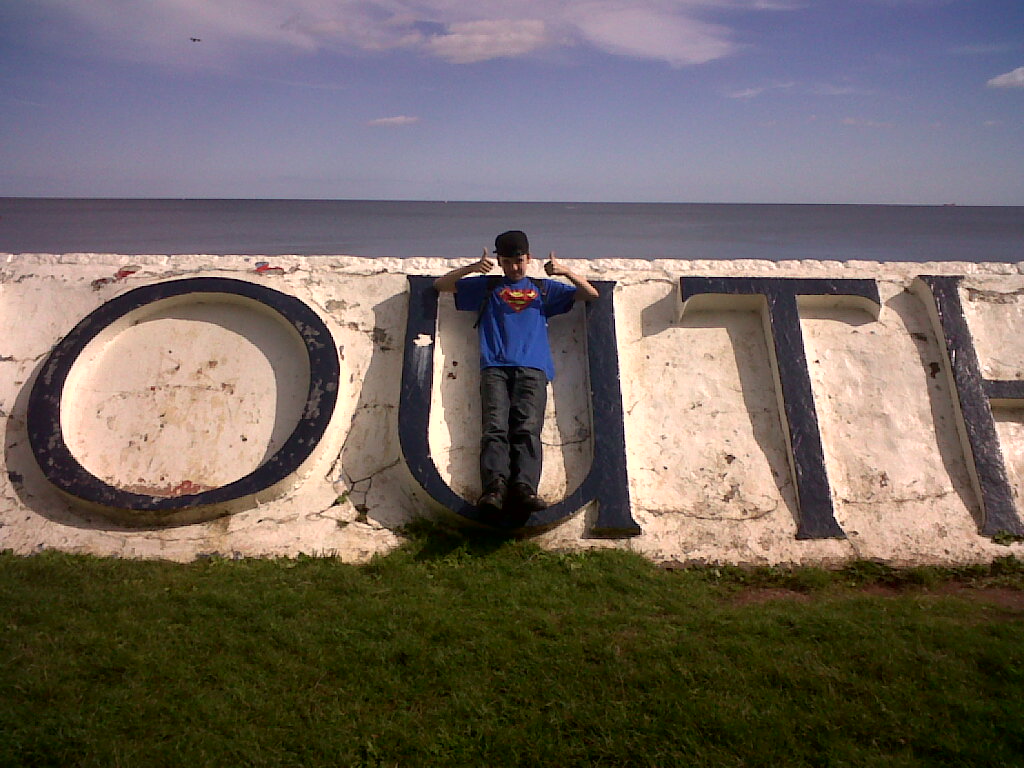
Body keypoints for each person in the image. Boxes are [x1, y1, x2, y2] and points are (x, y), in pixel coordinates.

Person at [434, 230, 599, 525]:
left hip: (533, 369)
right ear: (499, 261)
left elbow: (590, 294)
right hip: (495, 368)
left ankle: (524, 488)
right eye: (508, 262)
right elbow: (442, 285)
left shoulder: (543, 289)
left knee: (527, 430)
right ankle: (494, 489)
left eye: (519, 261)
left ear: (529, 258)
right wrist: (473, 268)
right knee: (494, 429)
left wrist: (565, 272)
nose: (514, 267)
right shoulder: (488, 287)